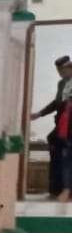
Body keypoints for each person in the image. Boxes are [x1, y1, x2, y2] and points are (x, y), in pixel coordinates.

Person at [32, 55, 72, 201]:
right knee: (55, 148)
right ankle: (56, 188)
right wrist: (40, 114)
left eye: (62, 70)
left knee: (68, 156)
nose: (60, 73)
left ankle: (66, 191)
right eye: (58, 71)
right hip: (62, 126)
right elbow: (57, 103)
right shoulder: (62, 84)